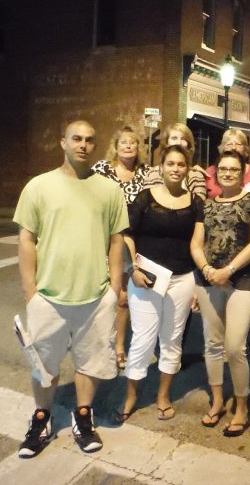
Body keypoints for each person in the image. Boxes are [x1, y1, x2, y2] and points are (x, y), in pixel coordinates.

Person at [14, 120, 128, 457]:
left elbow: (116, 239)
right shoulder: (38, 186)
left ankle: (83, 416)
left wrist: (114, 287)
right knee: (43, 366)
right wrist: (30, 290)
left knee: (89, 363)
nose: (83, 145)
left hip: (95, 297)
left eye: (90, 140)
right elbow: (26, 239)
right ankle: (41, 418)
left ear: (96, 146)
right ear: (62, 142)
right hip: (47, 297)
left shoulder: (108, 190)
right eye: (76, 139)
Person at [118, 145, 199, 423]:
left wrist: (198, 283)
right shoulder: (144, 198)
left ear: (187, 168)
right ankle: (131, 395)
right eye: (171, 164)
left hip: (182, 279)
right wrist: (132, 269)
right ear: (161, 167)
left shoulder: (195, 202)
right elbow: (126, 235)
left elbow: (199, 244)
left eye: (181, 164)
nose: (176, 168)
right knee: (142, 339)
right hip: (146, 278)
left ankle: (163, 396)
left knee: (172, 340)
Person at [190, 150, 250, 436]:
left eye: (234, 169)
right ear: (215, 172)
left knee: (234, 346)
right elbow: (197, 243)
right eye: (223, 168)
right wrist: (208, 269)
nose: (228, 173)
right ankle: (218, 401)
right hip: (208, 279)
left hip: (242, 280)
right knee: (212, 344)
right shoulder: (206, 205)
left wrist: (228, 271)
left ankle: (242, 407)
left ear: (242, 172)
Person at [92, 126, 151, 371]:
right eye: (123, 142)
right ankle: (98, 346)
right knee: (100, 295)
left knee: (123, 298)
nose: (128, 146)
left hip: (133, 240)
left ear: (139, 148)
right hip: (103, 239)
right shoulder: (101, 170)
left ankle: (118, 347)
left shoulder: (146, 173)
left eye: (133, 143)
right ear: (115, 146)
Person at [144, 123, 208, 201]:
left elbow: (199, 205)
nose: (179, 142)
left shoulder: (196, 176)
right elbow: (148, 203)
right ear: (166, 143)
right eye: (174, 138)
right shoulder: (153, 174)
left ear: (189, 144)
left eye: (183, 139)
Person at [204, 129, 250, 198]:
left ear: (245, 149)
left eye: (238, 144)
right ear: (222, 148)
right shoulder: (209, 172)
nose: (233, 148)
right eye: (229, 144)